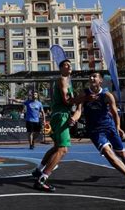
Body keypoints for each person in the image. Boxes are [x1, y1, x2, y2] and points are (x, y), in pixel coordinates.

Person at [80, 71, 125, 191]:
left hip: (109, 127)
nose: (92, 78)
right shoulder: (84, 93)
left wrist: (118, 127)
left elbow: (114, 112)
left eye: (94, 76)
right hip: (95, 131)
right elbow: (78, 110)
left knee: (121, 152)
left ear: (100, 80)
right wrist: (74, 118)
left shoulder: (107, 95)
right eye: (90, 77)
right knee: (109, 154)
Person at [33, 59, 83, 192]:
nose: (69, 66)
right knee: (63, 149)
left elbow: (71, 103)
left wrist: (78, 102)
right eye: (66, 65)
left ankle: (38, 170)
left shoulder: (67, 82)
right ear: (61, 68)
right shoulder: (62, 80)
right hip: (61, 116)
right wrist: (82, 98)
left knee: (56, 148)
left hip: (58, 115)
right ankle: (42, 179)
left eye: (70, 65)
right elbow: (67, 102)